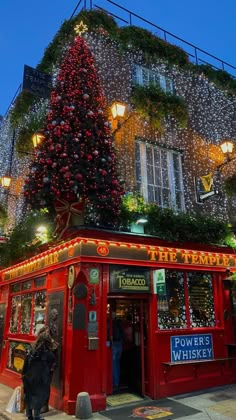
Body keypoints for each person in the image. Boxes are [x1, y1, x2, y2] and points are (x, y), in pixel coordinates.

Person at [22, 330, 56, 420]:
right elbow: (52, 363)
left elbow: (25, 362)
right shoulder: (48, 353)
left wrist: (23, 374)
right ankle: (36, 416)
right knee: (39, 396)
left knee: (28, 395)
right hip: (40, 378)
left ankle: (29, 415)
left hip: (29, 377)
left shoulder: (31, 349)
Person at [112, 315, 124, 390]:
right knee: (117, 363)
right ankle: (117, 381)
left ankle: (114, 382)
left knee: (113, 364)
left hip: (114, 345)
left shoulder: (112, 324)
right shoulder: (119, 325)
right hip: (120, 345)